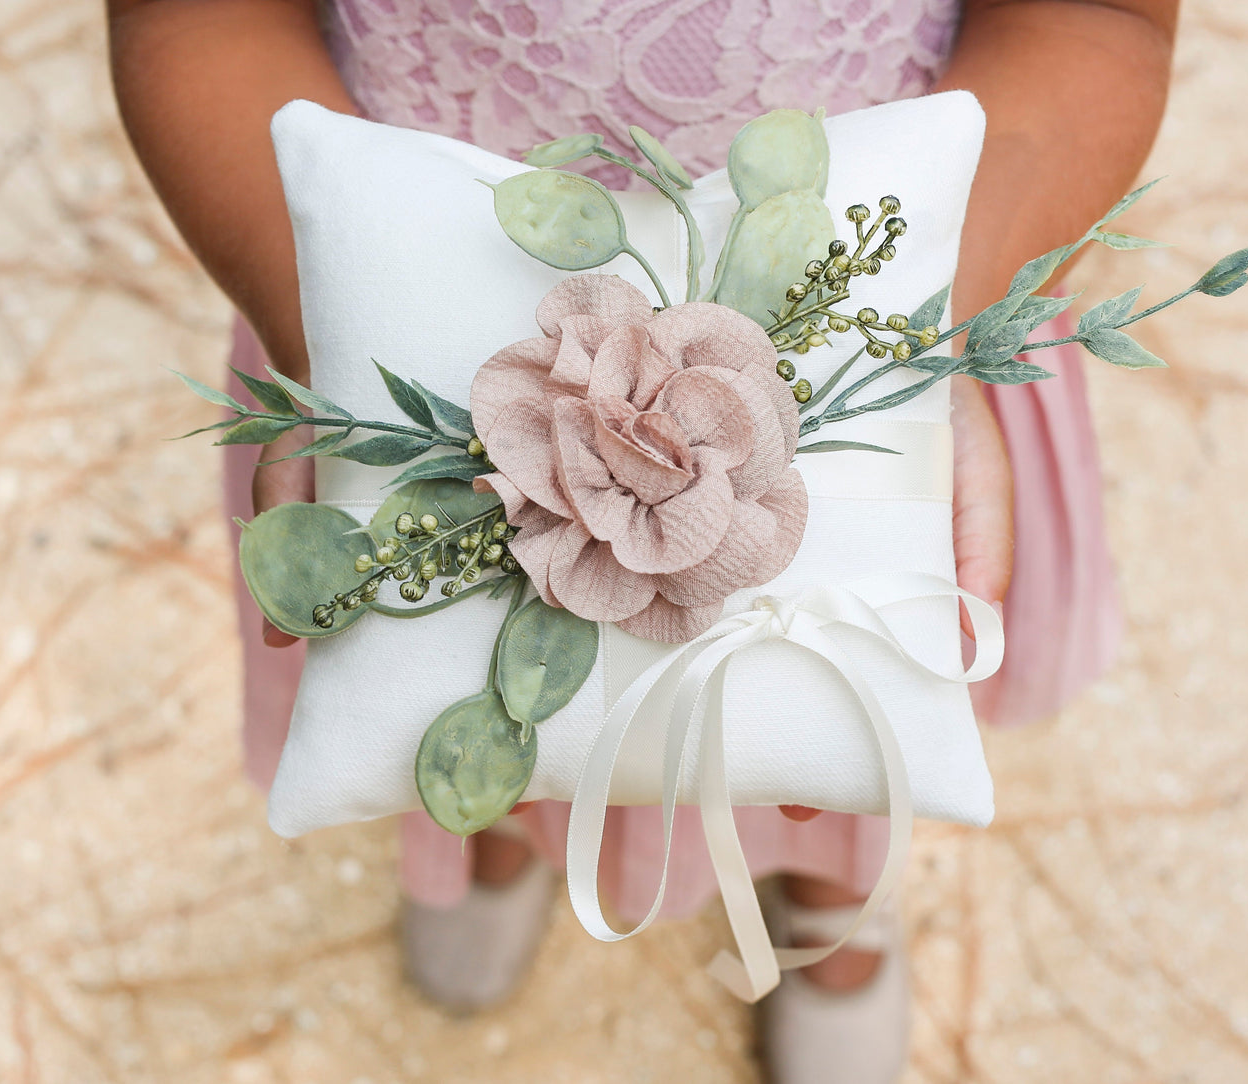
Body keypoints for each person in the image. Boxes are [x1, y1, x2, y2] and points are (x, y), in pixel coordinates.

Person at [108, 0, 1174, 1079]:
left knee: (829, 711)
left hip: (876, 335)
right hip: (422, 342)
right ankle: (485, 831)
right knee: (459, 666)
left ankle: (830, 912)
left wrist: (944, 320)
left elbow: (1096, 20)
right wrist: (323, 333)